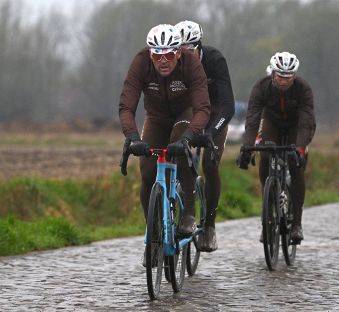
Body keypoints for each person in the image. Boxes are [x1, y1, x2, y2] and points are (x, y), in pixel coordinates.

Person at [119, 24, 211, 263]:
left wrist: (190, 136)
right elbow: (127, 106)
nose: (162, 60)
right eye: (157, 55)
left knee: (178, 148)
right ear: (150, 53)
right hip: (156, 116)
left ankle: (188, 212)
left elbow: (202, 108)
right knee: (147, 171)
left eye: (168, 55)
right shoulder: (140, 62)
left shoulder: (191, 62)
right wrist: (132, 137)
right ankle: (154, 235)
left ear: (178, 52)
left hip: (185, 112)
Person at [237, 51, 316, 244]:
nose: (284, 81)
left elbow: (307, 121)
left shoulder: (303, 89)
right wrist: (247, 147)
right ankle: (268, 215)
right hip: (271, 121)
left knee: (296, 166)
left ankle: (296, 223)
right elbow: (253, 118)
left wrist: (300, 147)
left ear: (294, 76)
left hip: (296, 126)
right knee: (265, 155)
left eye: (288, 77)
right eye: (280, 76)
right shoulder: (261, 87)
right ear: (273, 73)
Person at [174, 20, 235, 252]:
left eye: (189, 50)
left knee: (210, 164)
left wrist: (212, 132)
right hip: (190, 112)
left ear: (199, 47)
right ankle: (186, 213)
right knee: (180, 148)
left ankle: (209, 226)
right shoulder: (173, 63)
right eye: (180, 50)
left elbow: (228, 104)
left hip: (215, 113)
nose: (183, 55)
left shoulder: (214, 60)